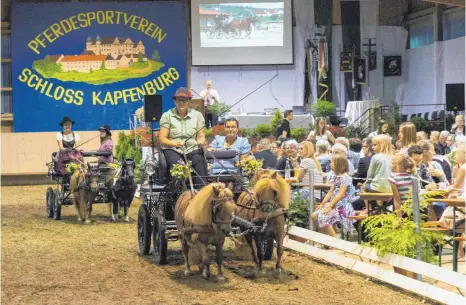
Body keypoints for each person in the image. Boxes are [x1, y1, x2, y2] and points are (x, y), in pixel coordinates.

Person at [159, 87, 207, 189]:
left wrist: (200, 141)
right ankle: (178, 196)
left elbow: (201, 136)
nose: (181, 103)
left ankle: (201, 194)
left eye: (184, 100)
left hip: (192, 149)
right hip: (173, 149)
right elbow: (162, 139)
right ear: (174, 101)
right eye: (178, 100)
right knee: (178, 167)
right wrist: (175, 144)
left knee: (199, 162)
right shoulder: (167, 115)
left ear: (188, 101)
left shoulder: (197, 115)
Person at [311, 153, 355, 237]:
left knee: (323, 218)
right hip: (334, 204)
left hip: (342, 206)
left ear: (338, 164)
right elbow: (330, 192)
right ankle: (326, 238)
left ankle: (334, 240)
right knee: (314, 216)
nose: (330, 164)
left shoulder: (345, 177)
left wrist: (330, 206)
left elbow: (341, 194)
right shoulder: (335, 176)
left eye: (331, 162)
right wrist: (322, 204)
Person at [388, 153, 417, 218]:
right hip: (418, 209)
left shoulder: (393, 178)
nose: (390, 165)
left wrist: (399, 218)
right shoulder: (413, 176)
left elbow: (397, 200)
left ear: (399, 165)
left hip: (405, 210)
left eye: (392, 163)